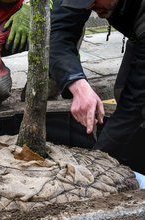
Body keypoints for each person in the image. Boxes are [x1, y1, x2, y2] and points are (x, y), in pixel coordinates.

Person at [50, 0, 145, 159]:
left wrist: (97, 159)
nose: (88, 7)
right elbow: (58, 33)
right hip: (137, 33)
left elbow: (135, 100)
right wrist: (77, 84)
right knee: (122, 91)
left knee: (139, 103)